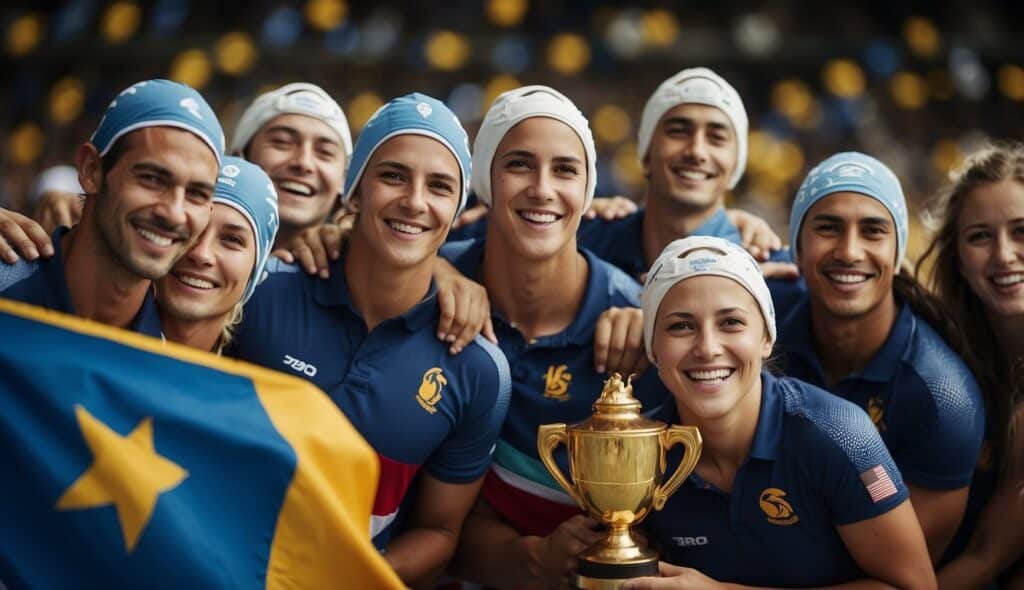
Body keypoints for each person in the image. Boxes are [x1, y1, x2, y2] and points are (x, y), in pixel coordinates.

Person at [226, 93, 511, 587]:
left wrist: (347, 579)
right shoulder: (258, 294)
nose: (415, 201)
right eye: (394, 176)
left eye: (440, 186)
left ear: (456, 210)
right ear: (353, 192)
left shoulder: (479, 369)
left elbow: (440, 533)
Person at [441, 85, 659, 589]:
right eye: (519, 164)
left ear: (588, 191)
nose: (542, 188)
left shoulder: (640, 323)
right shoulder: (428, 284)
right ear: (485, 181)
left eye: (565, 169)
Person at [625, 235, 935, 589]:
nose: (707, 348)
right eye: (681, 326)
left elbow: (916, 586)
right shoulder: (634, 452)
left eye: (731, 323)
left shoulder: (839, 435)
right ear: (652, 347)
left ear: (766, 337)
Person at [774, 151, 985, 563]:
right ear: (797, 247)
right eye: (828, 228)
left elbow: (897, 572)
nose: (849, 251)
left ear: (898, 253)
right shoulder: (756, 324)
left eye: (872, 231)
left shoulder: (942, 398)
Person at [0, 79, 224, 336]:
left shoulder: (175, 357)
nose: (174, 213)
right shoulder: (7, 283)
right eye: (151, 178)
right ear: (91, 170)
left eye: (196, 193)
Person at [917, 143, 1024, 587]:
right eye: (980, 236)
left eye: (1021, 231)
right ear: (956, 255)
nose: (1003, 254)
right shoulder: (936, 347)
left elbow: (986, 558)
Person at [156, 156, 278, 353]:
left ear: (256, 273)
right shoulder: (98, 335)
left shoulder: (260, 373)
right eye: (191, 229)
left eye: (232, 240)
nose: (202, 254)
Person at [229, 82, 351, 250]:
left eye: (325, 152)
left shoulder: (356, 268)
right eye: (282, 142)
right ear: (239, 159)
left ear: (344, 180)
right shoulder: (191, 253)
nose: (303, 162)